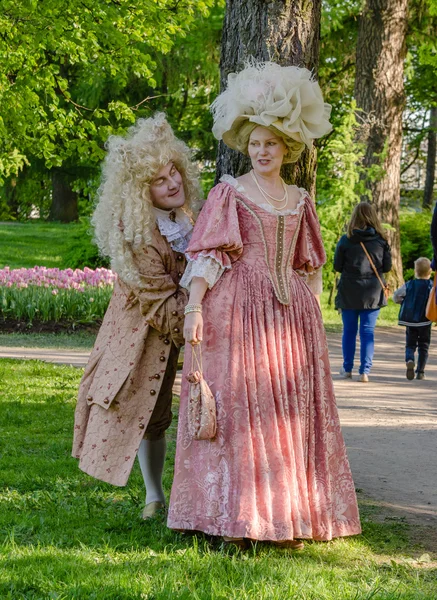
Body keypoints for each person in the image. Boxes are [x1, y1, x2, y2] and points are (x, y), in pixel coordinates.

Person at [167, 62, 361, 548]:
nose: (261, 151)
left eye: (269, 144)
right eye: (254, 144)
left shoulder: (299, 197)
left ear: (287, 147)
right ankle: (237, 518)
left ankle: (287, 517)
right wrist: (193, 307)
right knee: (240, 410)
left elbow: (308, 264)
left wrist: (311, 313)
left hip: (290, 316)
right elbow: (208, 255)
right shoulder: (229, 193)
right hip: (237, 309)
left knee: (288, 410)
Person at [72, 114, 201, 519]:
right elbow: (159, 302)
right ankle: (153, 494)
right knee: (147, 411)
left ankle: (200, 491)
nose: (173, 183)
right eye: (160, 181)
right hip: (140, 332)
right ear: (141, 192)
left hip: (186, 317)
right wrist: (210, 315)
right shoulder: (138, 234)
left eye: (173, 172)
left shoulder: (190, 218)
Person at [334, 203, 392, 383]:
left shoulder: (346, 239)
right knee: (368, 332)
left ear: (354, 217)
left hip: (349, 290)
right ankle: (365, 371)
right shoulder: (381, 241)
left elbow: (337, 266)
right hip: (373, 291)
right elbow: (387, 267)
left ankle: (347, 368)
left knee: (349, 331)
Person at [393, 257, 433, 380]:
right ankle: (420, 372)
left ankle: (409, 359)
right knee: (424, 345)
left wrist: (403, 302)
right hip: (425, 320)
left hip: (410, 321)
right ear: (430, 272)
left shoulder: (409, 284)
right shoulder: (431, 285)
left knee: (410, 344)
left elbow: (396, 296)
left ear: (415, 271)